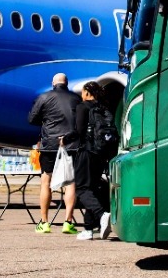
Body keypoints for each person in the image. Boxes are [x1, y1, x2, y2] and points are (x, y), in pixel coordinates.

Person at [59, 81, 119, 239]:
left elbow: (78, 131)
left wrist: (65, 139)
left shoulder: (83, 106)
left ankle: (102, 215)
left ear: (86, 93)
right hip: (101, 154)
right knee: (91, 188)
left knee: (82, 189)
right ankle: (88, 229)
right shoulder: (104, 108)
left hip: (86, 152)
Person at [27, 72, 77, 233]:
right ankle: (68, 222)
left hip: (49, 144)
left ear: (53, 83)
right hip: (70, 144)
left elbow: (32, 119)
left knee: (46, 182)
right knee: (70, 183)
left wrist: (46, 120)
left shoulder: (44, 97)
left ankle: (44, 222)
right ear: (67, 83)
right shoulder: (76, 98)